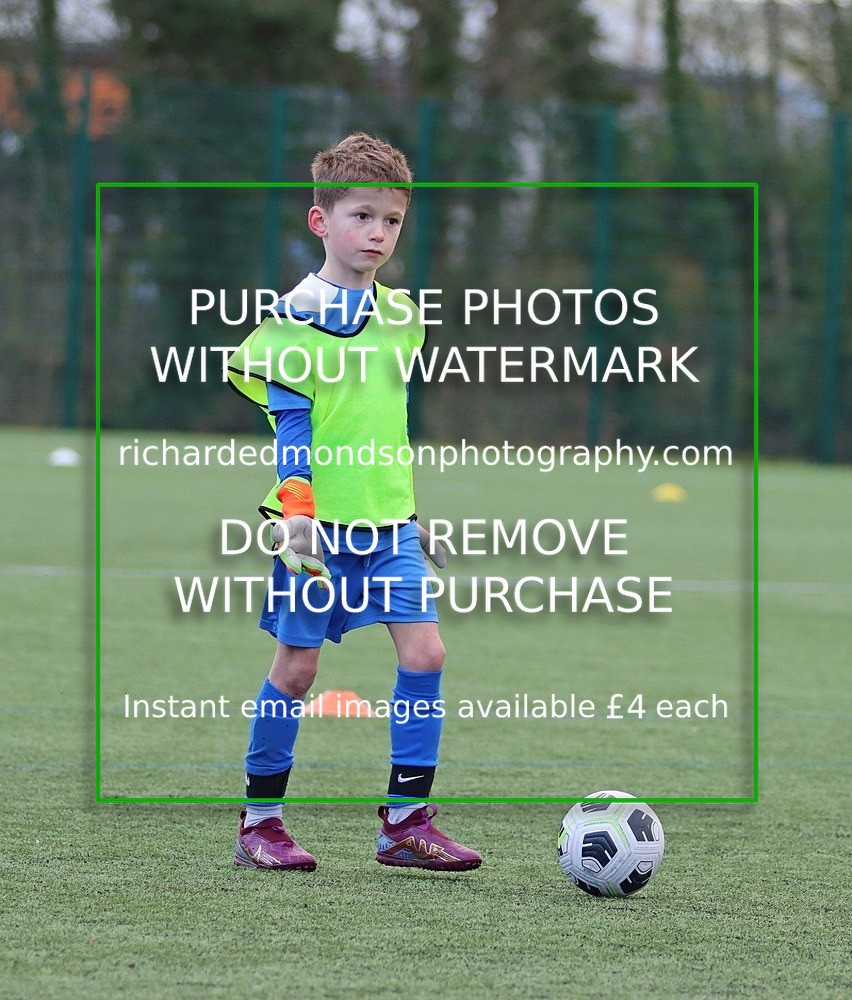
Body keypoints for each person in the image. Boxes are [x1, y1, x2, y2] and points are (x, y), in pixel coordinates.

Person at [227, 132, 481, 872]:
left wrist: (408, 511)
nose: (377, 233)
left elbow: (380, 423)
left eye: (392, 221)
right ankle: (260, 823)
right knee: (297, 670)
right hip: (313, 530)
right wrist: (299, 517)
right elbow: (296, 430)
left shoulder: (403, 318)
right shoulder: (288, 326)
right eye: (362, 216)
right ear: (321, 222)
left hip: (388, 524)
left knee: (427, 652)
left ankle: (405, 824)